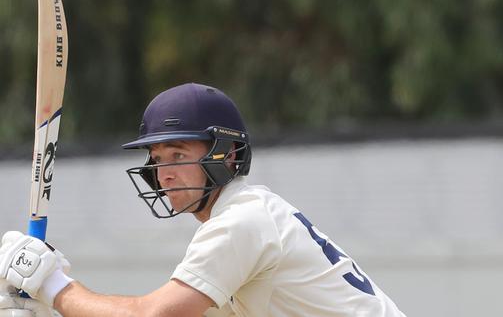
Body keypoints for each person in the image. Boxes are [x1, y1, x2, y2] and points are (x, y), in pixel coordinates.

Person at [0, 83, 406, 317]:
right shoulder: (244, 219)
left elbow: (149, 315)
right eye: (157, 159)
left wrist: (54, 286)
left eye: (177, 155)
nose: (164, 173)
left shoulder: (241, 223)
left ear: (226, 154)